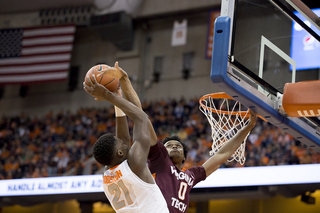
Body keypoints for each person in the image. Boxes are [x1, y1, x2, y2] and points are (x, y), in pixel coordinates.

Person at [97, 62, 257, 213]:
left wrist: (247, 127)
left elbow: (221, 155)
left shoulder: (191, 175)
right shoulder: (160, 159)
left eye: (178, 146)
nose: (174, 146)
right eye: (169, 145)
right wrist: (125, 83)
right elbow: (140, 114)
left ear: (184, 157)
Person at [83, 72, 169, 213]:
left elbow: (122, 141)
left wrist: (118, 97)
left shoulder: (107, 174)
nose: (125, 142)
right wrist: (109, 96)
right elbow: (142, 118)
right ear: (120, 152)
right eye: (121, 143)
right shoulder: (135, 164)